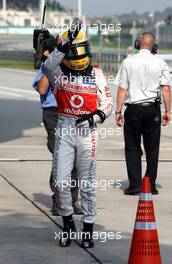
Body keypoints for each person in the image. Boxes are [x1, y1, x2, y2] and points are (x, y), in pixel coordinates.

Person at [38, 20, 113, 248]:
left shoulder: (97, 74)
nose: (79, 55)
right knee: (61, 182)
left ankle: (88, 227)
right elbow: (48, 66)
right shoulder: (58, 73)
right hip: (65, 128)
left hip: (87, 132)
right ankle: (68, 223)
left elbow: (108, 103)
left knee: (87, 184)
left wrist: (95, 117)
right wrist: (63, 43)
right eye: (74, 50)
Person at [115, 32, 171, 196]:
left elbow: (122, 89)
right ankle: (150, 185)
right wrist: (167, 111)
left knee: (132, 148)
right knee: (152, 149)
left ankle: (135, 186)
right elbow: (166, 88)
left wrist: (118, 111)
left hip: (133, 110)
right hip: (152, 110)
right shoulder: (160, 62)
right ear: (154, 46)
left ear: (138, 44)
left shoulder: (128, 62)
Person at [32, 36, 81, 215]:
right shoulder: (47, 68)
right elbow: (43, 89)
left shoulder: (67, 67)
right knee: (60, 157)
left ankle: (71, 200)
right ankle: (58, 200)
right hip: (53, 115)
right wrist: (49, 65)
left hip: (69, 113)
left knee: (75, 157)